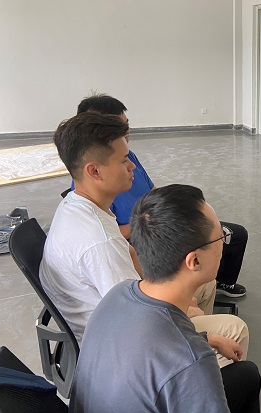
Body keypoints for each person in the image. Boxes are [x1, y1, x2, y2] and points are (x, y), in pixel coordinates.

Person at [69, 183, 261, 413]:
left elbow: (149, 351)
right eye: (220, 238)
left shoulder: (120, 293)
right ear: (194, 261)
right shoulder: (190, 361)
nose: (223, 245)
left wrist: (210, 339)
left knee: (247, 375)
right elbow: (175, 359)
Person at [40, 112, 248, 366]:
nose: (132, 167)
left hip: (116, 316)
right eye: (123, 161)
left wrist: (182, 305)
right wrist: (203, 333)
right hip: (115, 347)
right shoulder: (99, 243)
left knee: (204, 285)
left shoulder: (80, 206)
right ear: (94, 170)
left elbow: (130, 255)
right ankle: (200, 374)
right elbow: (138, 321)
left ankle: (195, 360)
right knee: (234, 330)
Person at [74, 93, 248, 299]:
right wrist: (147, 223)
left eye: (127, 126)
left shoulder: (127, 158)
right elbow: (117, 244)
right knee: (214, 240)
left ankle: (219, 283)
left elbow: (153, 191)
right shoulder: (96, 208)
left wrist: (177, 209)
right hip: (148, 232)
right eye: (119, 128)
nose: (130, 167)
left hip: (155, 222)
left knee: (233, 234)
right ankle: (201, 286)